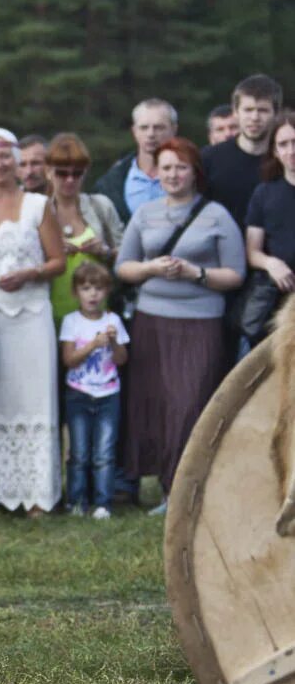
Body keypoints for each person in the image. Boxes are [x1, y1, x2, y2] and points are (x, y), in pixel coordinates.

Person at [115, 138, 245, 513]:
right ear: (157, 173)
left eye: (181, 167)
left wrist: (196, 273)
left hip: (200, 324)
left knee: (189, 405)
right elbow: (123, 266)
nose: (173, 175)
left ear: (195, 173)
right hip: (152, 322)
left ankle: (187, 491)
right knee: (154, 405)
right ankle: (164, 488)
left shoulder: (216, 216)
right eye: (167, 167)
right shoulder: (146, 214)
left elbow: (235, 274)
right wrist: (151, 268)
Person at [0, 128, 66, 516]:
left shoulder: (38, 206)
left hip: (31, 319)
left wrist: (29, 273)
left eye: (5, 156)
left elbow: (59, 261)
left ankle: (37, 494)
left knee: (35, 402)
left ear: (17, 160)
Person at [59, 261, 129, 519]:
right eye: (86, 288)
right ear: (76, 292)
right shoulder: (71, 322)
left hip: (108, 394)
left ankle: (103, 503)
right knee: (78, 452)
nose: (93, 294)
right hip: (78, 393)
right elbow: (69, 360)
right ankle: (76, 501)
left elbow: (122, 359)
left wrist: (112, 343)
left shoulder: (114, 320)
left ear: (107, 292)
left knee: (104, 452)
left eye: (98, 288)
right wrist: (92, 344)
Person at [46, 133, 124, 322]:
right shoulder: (38, 211)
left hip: (98, 314)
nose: (70, 180)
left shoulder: (101, 206)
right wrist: (53, 252)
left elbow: (127, 255)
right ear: (48, 172)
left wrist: (104, 251)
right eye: (62, 173)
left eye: (77, 173)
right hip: (49, 312)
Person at [242, 112, 295, 345]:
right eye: (283, 144)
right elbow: (252, 251)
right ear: (275, 151)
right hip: (276, 301)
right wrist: (271, 263)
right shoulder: (264, 193)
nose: (291, 150)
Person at [204, 75, 282, 231]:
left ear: (276, 113)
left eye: (263, 110)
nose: (254, 118)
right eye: (248, 110)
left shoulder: (287, 159)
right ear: (235, 112)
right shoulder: (209, 159)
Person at [94, 99, 178, 224]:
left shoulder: (193, 178)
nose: (151, 134)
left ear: (174, 130)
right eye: (144, 127)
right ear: (134, 131)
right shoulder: (111, 183)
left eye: (159, 127)